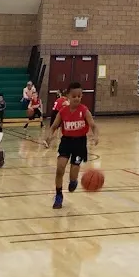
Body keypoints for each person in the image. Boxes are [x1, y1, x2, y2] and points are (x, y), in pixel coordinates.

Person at [44, 81, 99, 209]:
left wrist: (96, 136)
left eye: (79, 96)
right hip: (66, 141)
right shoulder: (63, 111)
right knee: (60, 168)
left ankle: (73, 180)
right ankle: (58, 195)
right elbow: (53, 127)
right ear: (68, 96)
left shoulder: (84, 111)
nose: (77, 98)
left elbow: (93, 126)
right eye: (74, 96)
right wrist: (50, 135)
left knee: (74, 171)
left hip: (80, 143)